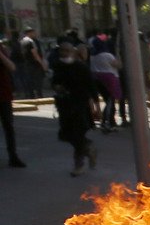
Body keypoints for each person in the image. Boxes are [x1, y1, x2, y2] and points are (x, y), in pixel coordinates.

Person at [51, 39, 99, 176]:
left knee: (78, 134)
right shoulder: (58, 66)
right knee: (65, 134)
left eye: (67, 50)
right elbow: (54, 82)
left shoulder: (81, 67)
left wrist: (96, 107)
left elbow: (91, 87)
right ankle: (88, 147)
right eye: (62, 50)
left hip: (79, 106)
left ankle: (79, 165)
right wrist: (57, 87)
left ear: (73, 52)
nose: (64, 53)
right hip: (64, 106)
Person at [0, 38, 27, 167]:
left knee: (9, 127)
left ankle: (13, 156)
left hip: (4, 94)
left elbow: (12, 66)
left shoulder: (1, 49)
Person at [89, 39, 122, 133]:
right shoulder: (107, 55)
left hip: (98, 80)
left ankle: (110, 122)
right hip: (110, 79)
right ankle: (106, 122)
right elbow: (118, 65)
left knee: (108, 101)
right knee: (110, 101)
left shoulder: (94, 57)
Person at [20, 27, 48, 99]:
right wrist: (42, 64)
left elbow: (23, 53)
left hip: (27, 64)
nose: (35, 34)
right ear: (29, 33)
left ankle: (31, 96)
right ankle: (39, 95)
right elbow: (35, 53)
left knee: (30, 81)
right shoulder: (31, 41)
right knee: (38, 81)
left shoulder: (22, 41)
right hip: (35, 64)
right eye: (33, 32)